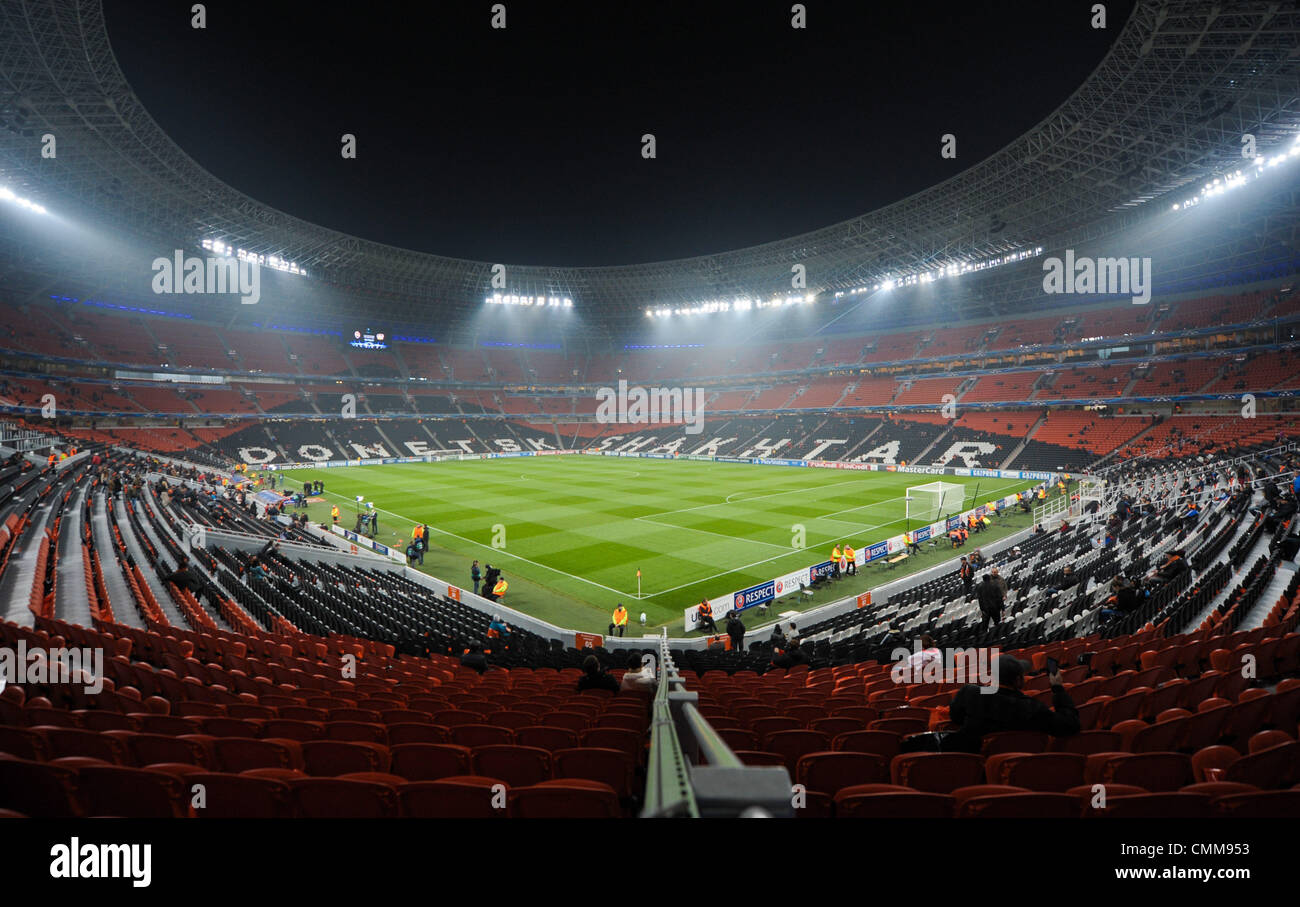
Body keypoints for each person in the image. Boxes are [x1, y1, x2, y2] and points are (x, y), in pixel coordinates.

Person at [943, 655, 1080, 753]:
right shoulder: (1032, 708)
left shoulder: (970, 693)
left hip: (973, 765)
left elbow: (956, 717)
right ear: (1018, 680)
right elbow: (1070, 726)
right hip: (1018, 768)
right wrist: (1058, 688)